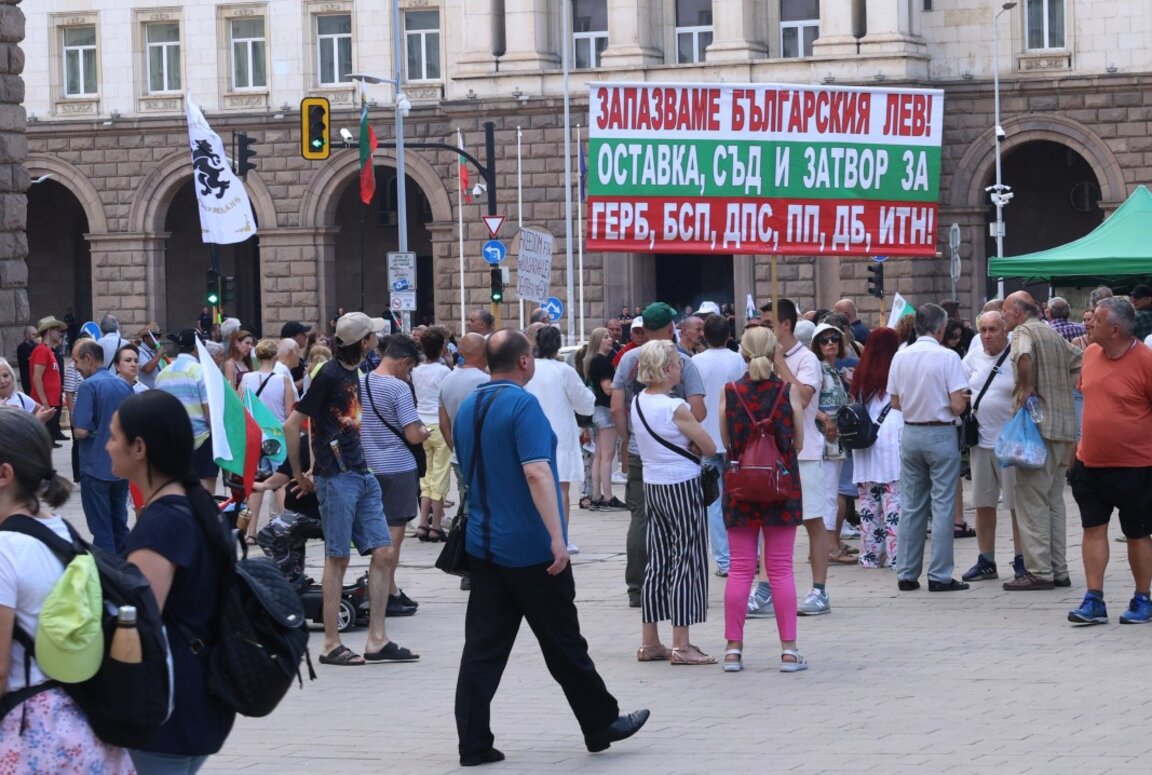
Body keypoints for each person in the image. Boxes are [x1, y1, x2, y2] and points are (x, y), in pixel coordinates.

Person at [453, 329, 649, 766]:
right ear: (525, 361)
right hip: (530, 548)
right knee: (563, 642)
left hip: (483, 545)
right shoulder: (522, 405)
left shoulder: (469, 406)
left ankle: (473, 741)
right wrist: (558, 538)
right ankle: (601, 723)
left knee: (482, 649)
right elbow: (538, 473)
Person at [0, 409, 133, 773]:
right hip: (82, 726)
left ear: (4, 474)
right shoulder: (58, 529)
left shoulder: (4, 551)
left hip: (29, 736)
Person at [111, 391, 236, 773]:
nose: (107, 444)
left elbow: (136, 629)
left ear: (139, 448)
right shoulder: (195, 505)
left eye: (115, 436)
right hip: (197, 699)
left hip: (167, 710)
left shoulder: (164, 524)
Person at [284, 311, 417, 665]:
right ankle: (330, 643)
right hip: (337, 477)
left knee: (384, 552)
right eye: (372, 336)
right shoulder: (328, 374)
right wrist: (300, 474)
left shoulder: (353, 371)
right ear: (364, 342)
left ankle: (376, 639)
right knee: (337, 557)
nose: (376, 340)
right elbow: (293, 424)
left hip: (361, 472)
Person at [719, 326, 808, 673]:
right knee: (781, 568)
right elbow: (798, 443)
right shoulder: (788, 392)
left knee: (741, 569)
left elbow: (728, 442)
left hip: (741, 488)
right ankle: (788, 651)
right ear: (774, 354)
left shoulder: (730, 391)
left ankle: (733, 650)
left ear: (742, 353)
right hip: (780, 488)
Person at [611, 302, 705, 609]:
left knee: (640, 519)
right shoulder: (681, 360)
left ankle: (638, 587)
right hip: (678, 458)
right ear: (670, 328)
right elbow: (698, 410)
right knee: (680, 527)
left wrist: (627, 442)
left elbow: (616, 407)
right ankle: (677, 585)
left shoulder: (627, 359)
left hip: (642, 453)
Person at [630, 339, 717, 664]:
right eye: (678, 364)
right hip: (681, 484)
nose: (682, 367)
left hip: (653, 484)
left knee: (659, 560)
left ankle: (649, 641)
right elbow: (708, 446)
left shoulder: (638, 402)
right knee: (688, 560)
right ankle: (682, 644)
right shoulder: (674, 407)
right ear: (667, 369)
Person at [1067, 298, 1152, 624]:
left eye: (1097, 320)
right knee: (1092, 528)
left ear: (1115, 329)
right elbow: (1085, 401)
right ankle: (1094, 600)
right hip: (1090, 463)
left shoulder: (1145, 360)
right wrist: (1074, 451)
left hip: (1136, 466)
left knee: (1138, 532)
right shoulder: (1089, 354)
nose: (1089, 323)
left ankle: (1142, 598)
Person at [1001, 291, 1081, 591]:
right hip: (1063, 426)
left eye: (1007, 310)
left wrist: (1028, 385)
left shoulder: (1023, 331)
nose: (1005, 315)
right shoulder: (1052, 333)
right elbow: (1079, 361)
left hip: (1037, 427)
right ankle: (1059, 569)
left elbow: (1023, 355)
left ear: (1019, 312)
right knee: (1053, 501)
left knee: (1031, 499)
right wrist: (1061, 386)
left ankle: (1038, 571)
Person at [887, 303, 970, 592]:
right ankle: (940, 574)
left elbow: (895, 401)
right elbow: (958, 404)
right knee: (943, 504)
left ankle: (907, 573)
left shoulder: (901, 355)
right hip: (940, 431)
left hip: (911, 431)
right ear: (939, 327)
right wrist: (960, 401)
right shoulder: (947, 357)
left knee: (911, 504)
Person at [361, 334, 430, 617]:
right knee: (394, 534)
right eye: (410, 367)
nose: (409, 373)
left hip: (369, 465)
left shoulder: (361, 381)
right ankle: (387, 589)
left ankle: (383, 586)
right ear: (403, 361)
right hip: (398, 467)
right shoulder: (399, 388)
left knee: (376, 532)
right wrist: (424, 431)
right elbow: (413, 435)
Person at [960, 311, 1023, 583]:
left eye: (992, 330)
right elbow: (960, 386)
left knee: (1016, 505)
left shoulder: (1015, 355)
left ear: (1005, 330)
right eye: (983, 330)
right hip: (981, 441)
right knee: (983, 503)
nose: (987, 335)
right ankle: (986, 559)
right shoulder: (972, 357)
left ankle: (1023, 559)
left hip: (1011, 442)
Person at [526, 326, 595, 553]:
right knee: (561, 490)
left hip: (531, 432)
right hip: (560, 434)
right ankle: (561, 537)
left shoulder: (528, 369)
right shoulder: (563, 370)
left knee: (533, 488)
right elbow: (584, 401)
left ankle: (537, 535)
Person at [692, 313, 748, 577]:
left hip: (706, 439)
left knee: (714, 502)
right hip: (735, 438)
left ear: (705, 335)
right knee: (741, 497)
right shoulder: (739, 361)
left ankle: (725, 561)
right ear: (729, 335)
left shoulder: (695, 362)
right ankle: (747, 555)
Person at [848, 327, 904, 569]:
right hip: (891, 437)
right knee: (894, 502)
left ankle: (869, 555)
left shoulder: (861, 373)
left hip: (866, 439)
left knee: (869, 503)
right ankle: (895, 555)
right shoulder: (897, 369)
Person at [72, 337, 133, 553]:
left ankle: (110, 578)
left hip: (95, 467)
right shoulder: (124, 385)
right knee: (120, 525)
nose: (75, 368)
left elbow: (80, 430)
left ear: (89, 359)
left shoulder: (89, 386)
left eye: (76, 361)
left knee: (102, 530)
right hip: (122, 468)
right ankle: (126, 572)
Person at [240, 338, 299, 542]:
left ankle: (250, 532)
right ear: (276, 357)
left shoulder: (246, 378)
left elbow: (241, 409)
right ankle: (285, 528)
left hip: (254, 435)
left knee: (255, 483)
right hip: (276, 436)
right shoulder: (281, 380)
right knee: (280, 482)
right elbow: (290, 411)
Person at [811, 322, 856, 566]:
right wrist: (825, 418)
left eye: (834, 339)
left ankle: (823, 546)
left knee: (830, 490)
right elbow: (807, 401)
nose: (830, 343)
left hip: (835, 437)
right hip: (825, 437)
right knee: (829, 491)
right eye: (824, 340)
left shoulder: (833, 370)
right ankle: (830, 546)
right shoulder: (818, 369)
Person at [155, 329, 217, 494]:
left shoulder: (162, 374)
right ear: (197, 349)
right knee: (205, 484)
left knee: (177, 485)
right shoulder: (201, 372)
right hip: (201, 438)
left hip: (173, 441)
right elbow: (208, 409)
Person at [412, 327, 453, 542]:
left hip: (421, 424)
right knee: (441, 474)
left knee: (426, 476)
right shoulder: (444, 372)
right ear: (442, 347)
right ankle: (436, 525)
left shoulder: (416, 370)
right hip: (439, 424)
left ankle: (422, 523)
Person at [584, 327, 625, 512]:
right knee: (607, 455)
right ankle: (607, 496)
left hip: (597, 409)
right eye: (606, 337)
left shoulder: (592, 360)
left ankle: (596, 496)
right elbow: (608, 389)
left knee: (600, 455)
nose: (610, 339)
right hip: (606, 409)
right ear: (598, 341)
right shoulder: (603, 362)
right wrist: (621, 383)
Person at [30, 316, 66, 443]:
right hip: (45, 404)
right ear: (49, 331)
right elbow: (37, 377)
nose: (60, 333)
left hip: (49, 403)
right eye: (57, 329)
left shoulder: (48, 351)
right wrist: (45, 403)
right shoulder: (42, 350)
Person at [0, 356, 52, 421]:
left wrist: (40, 419)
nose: (2, 381)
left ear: (12, 376)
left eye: (5, 375)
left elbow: (42, 412)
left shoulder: (20, 397)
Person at [136, 323, 167, 390]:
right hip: (148, 393)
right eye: (154, 335)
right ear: (145, 337)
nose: (156, 338)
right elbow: (147, 369)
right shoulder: (140, 351)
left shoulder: (156, 351)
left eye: (158, 335)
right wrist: (158, 355)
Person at [15, 323, 37, 393]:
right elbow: (30, 359)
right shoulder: (22, 347)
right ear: (27, 335)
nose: (36, 336)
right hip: (27, 378)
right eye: (33, 334)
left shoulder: (35, 345)